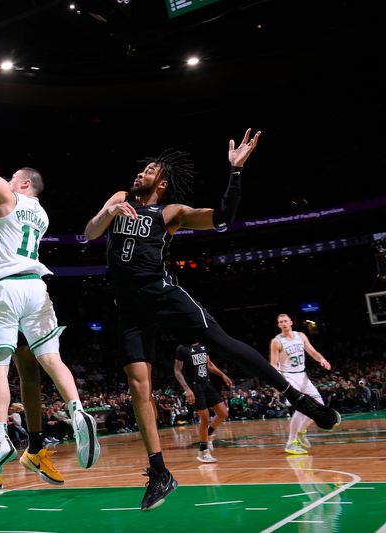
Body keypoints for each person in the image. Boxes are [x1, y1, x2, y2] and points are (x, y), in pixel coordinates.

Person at [83, 129, 341, 510]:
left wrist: (235, 172)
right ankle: (159, 473)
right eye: (141, 171)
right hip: (129, 309)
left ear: (163, 183)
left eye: (149, 171)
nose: (140, 174)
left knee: (222, 344)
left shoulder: (171, 212)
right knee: (140, 387)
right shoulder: (120, 198)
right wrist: (108, 211)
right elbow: (89, 234)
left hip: (164, 295)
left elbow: (223, 218)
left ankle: (299, 400)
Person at [0, 81, 100, 483]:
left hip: (4, 288)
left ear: (23, 183)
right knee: (50, 360)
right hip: (37, 288)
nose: (6, 180)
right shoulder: (40, 215)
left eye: (12, 178)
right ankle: (77, 411)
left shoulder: (8, 198)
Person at [269, 313, 333, 455]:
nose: (284, 323)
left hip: (302, 375)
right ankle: (291, 443)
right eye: (281, 322)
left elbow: (312, 351)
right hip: (288, 377)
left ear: (291, 322)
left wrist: (321, 360)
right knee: (301, 408)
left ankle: (301, 431)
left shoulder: (301, 336)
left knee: (319, 406)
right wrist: (276, 382)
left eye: (286, 321)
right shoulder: (276, 341)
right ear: (278, 325)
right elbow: (273, 364)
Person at [174, 343, 232, 463]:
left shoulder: (203, 345)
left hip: (207, 383)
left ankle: (209, 433)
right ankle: (203, 451)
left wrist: (223, 375)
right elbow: (177, 371)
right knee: (205, 419)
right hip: (194, 386)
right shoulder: (182, 348)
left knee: (223, 413)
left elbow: (209, 365)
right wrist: (187, 389)